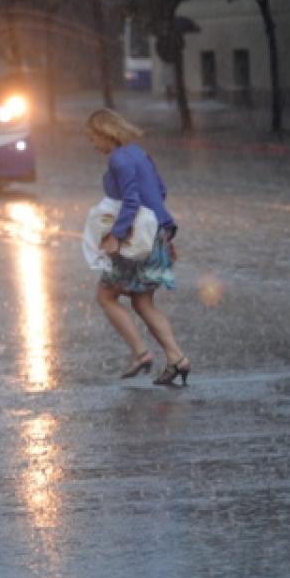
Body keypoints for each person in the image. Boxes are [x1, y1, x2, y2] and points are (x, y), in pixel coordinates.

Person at [86, 108, 190, 387]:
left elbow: (131, 201)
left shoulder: (119, 160)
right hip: (156, 233)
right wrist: (166, 237)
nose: (93, 144)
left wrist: (116, 236)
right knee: (143, 302)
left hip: (136, 238)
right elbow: (160, 191)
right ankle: (176, 358)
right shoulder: (139, 153)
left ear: (106, 134)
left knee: (106, 296)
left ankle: (141, 353)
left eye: (93, 137)